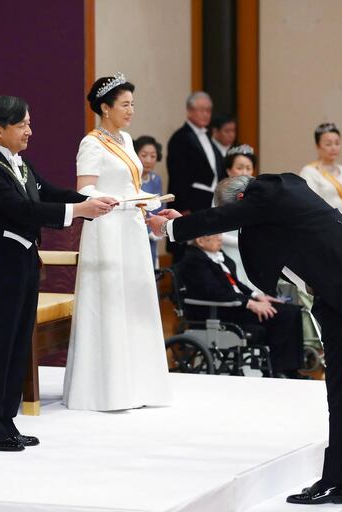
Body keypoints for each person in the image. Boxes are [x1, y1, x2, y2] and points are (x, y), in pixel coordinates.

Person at [146, 174, 342, 504]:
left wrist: (171, 229)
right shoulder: (286, 189)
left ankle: (338, 480)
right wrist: (185, 221)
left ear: (241, 202)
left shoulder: (264, 194)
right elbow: (231, 221)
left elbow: (223, 218)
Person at [0, 96, 117, 451]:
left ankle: (6, 419)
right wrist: (79, 209)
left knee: (18, 343)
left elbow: (47, 192)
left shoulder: (19, 163)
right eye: (22, 125)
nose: (29, 131)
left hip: (22, 264)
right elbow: (22, 209)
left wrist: (90, 203)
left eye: (30, 123)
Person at [63, 74, 172, 411]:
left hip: (132, 229)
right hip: (108, 230)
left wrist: (155, 206)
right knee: (109, 301)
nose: (131, 110)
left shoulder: (125, 139)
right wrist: (114, 201)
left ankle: (140, 386)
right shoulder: (92, 143)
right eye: (125, 104)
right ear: (105, 108)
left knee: (135, 300)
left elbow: (133, 187)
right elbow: (85, 190)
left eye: (132, 104)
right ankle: (106, 390)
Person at [177, 233, 304, 378]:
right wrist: (250, 303)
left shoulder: (217, 256)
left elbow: (236, 285)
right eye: (215, 235)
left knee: (293, 310)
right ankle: (279, 369)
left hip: (234, 304)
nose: (220, 238)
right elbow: (214, 293)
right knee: (284, 315)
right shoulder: (194, 261)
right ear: (200, 241)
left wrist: (258, 296)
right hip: (219, 311)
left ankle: (291, 368)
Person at [166, 91, 225, 214]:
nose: (206, 114)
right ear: (189, 111)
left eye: (208, 110)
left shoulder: (208, 137)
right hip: (191, 204)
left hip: (210, 202)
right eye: (201, 110)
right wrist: (183, 207)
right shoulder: (180, 137)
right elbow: (178, 175)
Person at [220, 145, 258, 291]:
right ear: (229, 170)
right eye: (240, 167)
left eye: (249, 168)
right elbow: (215, 232)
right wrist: (242, 242)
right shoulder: (221, 195)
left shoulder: (257, 194)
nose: (245, 172)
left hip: (253, 252)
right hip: (230, 251)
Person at [299, 123, 342, 218]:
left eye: (337, 143)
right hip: (325, 222)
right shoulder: (309, 172)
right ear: (317, 146)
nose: (334, 148)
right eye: (328, 144)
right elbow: (311, 203)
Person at [134, 135, 165, 268]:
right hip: (135, 233)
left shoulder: (156, 179)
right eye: (144, 155)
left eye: (153, 156)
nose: (148, 160)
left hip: (153, 232)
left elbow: (161, 204)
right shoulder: (131, 181)